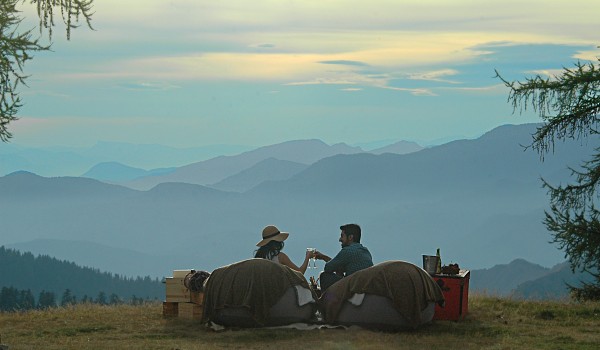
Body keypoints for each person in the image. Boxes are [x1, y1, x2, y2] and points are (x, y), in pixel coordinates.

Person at [314, 223, 373, 291]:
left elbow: (328, 268)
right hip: (366, 286)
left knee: (324, 276)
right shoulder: (366, 251)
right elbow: (340, 266)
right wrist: (324, 257)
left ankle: (327, 301)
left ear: (350, 237)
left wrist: (324, 258)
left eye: (342, 236)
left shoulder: (347, 251)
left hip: (354, 288)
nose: (340, 239)